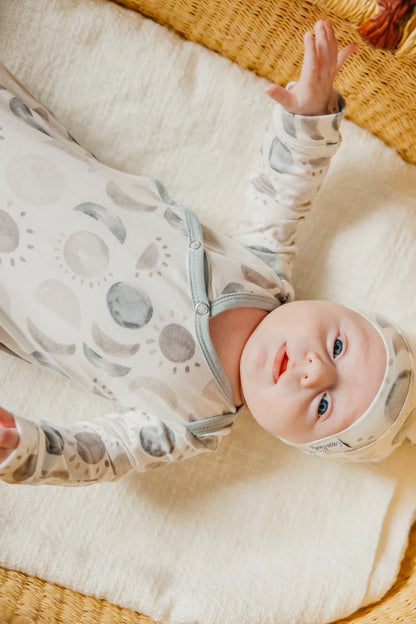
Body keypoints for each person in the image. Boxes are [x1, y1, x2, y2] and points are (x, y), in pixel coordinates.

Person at [0, 21, 413, 487]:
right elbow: (284, 192)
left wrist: (27, 448)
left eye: (323, 406)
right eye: (338, 346)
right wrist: (310, 115)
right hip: (27, 158)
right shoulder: (263, 272)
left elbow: (102, 452)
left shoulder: (190, 424)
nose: (315, 370)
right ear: (332, 308)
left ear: (292, 441)